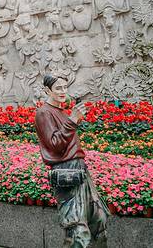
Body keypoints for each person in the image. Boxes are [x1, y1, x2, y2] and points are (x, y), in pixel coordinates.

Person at [34, 74, 109, 248]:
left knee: (99, 219)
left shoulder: (61, 112)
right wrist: (73, 119)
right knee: (77, 229)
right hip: (66, 171)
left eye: (65, 87)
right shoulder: (44, 113)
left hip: (80, 169)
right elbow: (55, 145)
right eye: (58, 88)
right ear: (47, 91)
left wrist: (72, 119)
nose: (63, 91)